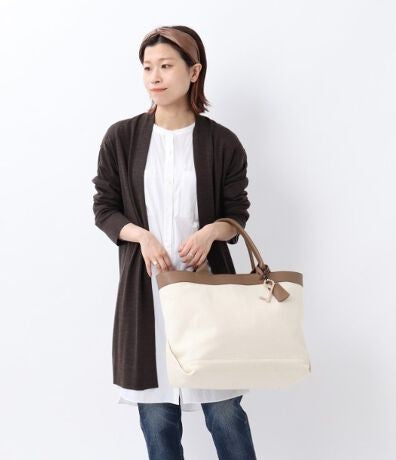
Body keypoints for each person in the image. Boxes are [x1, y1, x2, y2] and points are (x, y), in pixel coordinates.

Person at [92, 25, 257, 459]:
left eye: (166, 66)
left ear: (194, 71)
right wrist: (141, 236)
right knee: (158, 418)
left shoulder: (222, 142)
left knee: (225, 412)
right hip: (146, 296)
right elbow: (105, 207)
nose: (155, 77)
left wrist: (211, 231)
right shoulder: (122, 138)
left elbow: (236, 214)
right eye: (148, 67)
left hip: (208, 293)